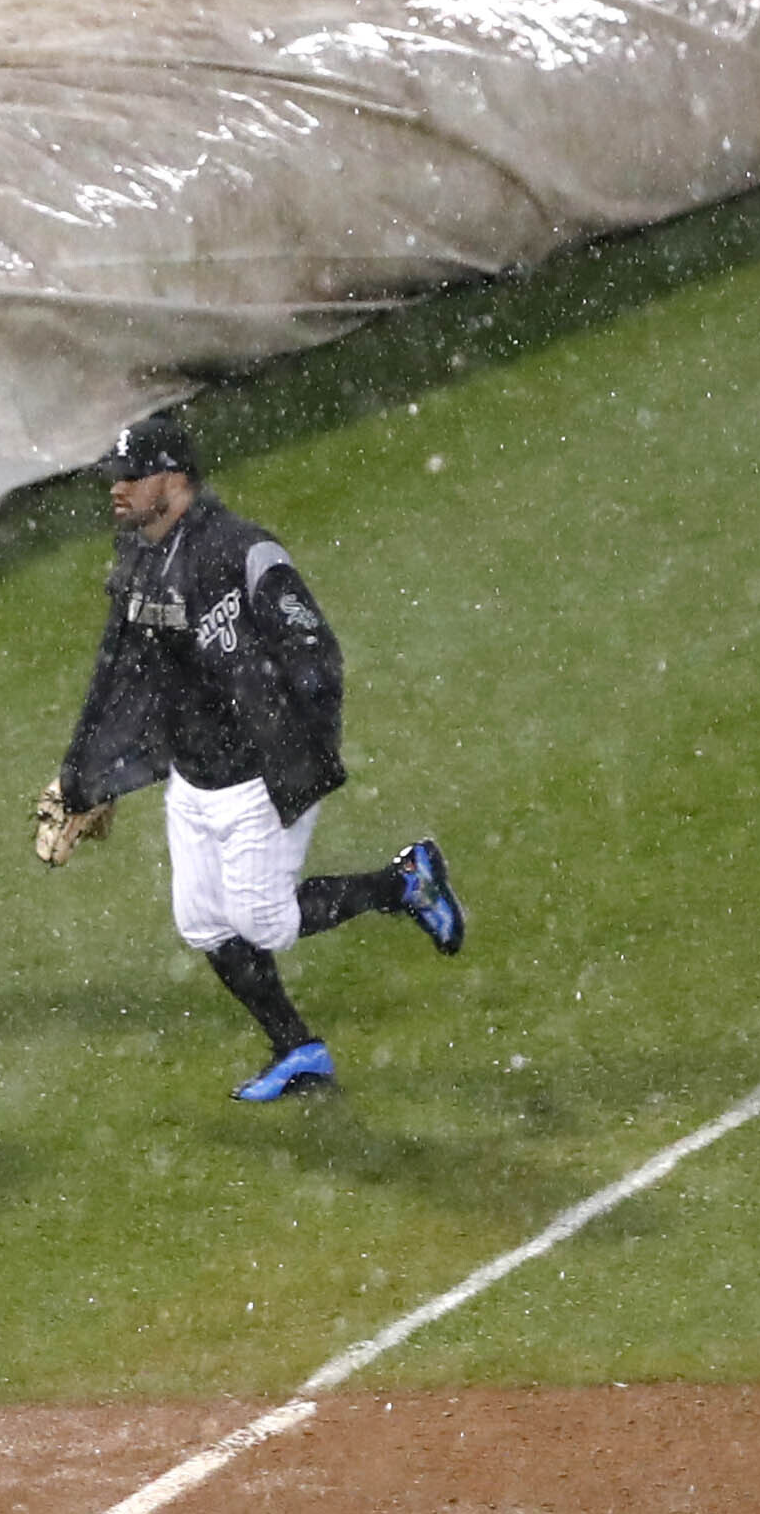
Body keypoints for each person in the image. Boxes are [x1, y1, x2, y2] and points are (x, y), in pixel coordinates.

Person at [30, 411, 462, 1102]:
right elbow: (119, 670)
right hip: (192, 779)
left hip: (259, 775)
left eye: (130, 477)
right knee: (202, 921)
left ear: (172, 479)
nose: (116, 491)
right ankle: (299, 1050)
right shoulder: (138, 560)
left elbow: (313, 651)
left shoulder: (242, 550)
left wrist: (295, 749)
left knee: (267, 923)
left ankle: (406, 883)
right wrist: (87, 775)